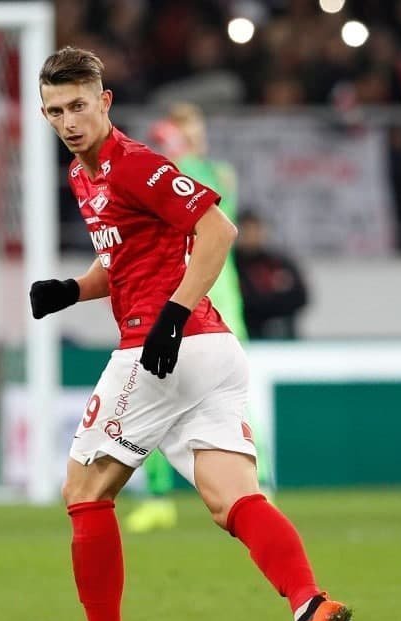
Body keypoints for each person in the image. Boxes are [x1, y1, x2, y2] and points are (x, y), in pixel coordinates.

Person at [29, 46, 351, 621]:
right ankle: (309, 605)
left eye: (78, 106)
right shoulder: (83, 175)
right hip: (209, 353)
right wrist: (73, 289)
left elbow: (217, 231)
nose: (68, 122)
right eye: (55, 111)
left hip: (160, 348)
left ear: (105, 102)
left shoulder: (136, 164)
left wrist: (172, 317)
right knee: (231, 499)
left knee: (84, 492)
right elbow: (125, 260)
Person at [125, 103, 274, 534]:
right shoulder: (162, 179)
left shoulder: (216, 174)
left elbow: (211, 205)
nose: (190, 138)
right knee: (150, 390)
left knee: (235, 398)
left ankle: (260, 483)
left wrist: (180, 156)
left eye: (193, 130)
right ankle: (157, 497)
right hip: (175, 298)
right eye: (181, 131)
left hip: (219, 303)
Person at [234, 209, 310, 339]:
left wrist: (262, 303)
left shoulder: (279, 263)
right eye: (247, 230)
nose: (252, 235)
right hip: (247, 333)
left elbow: (301, 297)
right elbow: (241, 302)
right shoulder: (231, 264)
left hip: (283, 334)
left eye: (256, 230)